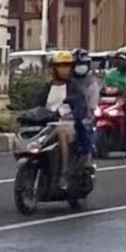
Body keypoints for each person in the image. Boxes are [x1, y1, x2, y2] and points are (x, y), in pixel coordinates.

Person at [35, 51, 88, 189]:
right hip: (47, 125)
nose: (64, 69)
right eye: (60, 66)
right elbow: (37, 106)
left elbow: (81, 106)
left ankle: (64, 172)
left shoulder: (73, 87)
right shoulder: (47, 87)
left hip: (67, 124)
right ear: (54, 68)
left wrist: (72, 114)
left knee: (62, 133)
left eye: (67, 66)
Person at [71, 49, 100, 161]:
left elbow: (92, 105)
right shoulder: (66, 81)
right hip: (62, 118)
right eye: (78, 65)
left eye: (83, 65)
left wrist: (86, 114)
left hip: (83, 118)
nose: (80, 67)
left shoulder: (92, 83)